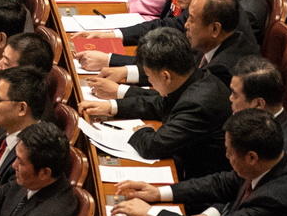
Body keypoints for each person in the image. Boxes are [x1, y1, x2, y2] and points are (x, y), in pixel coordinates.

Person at [111, 109, 287, 216]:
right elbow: (221, 183)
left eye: (229, 152)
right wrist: (159, 192)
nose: (226, 157)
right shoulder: (274, 159)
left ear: (252, 157)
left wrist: (151, 214)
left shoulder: (277, 200)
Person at [81, 26, 231, 178]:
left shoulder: (198, 104)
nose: (150, 81)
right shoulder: (195, 77)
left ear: (166, 76)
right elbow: (161, 103)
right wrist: (112, 107)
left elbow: (152, 146)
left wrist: (140, 130)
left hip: (198, 179)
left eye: (148, 75)